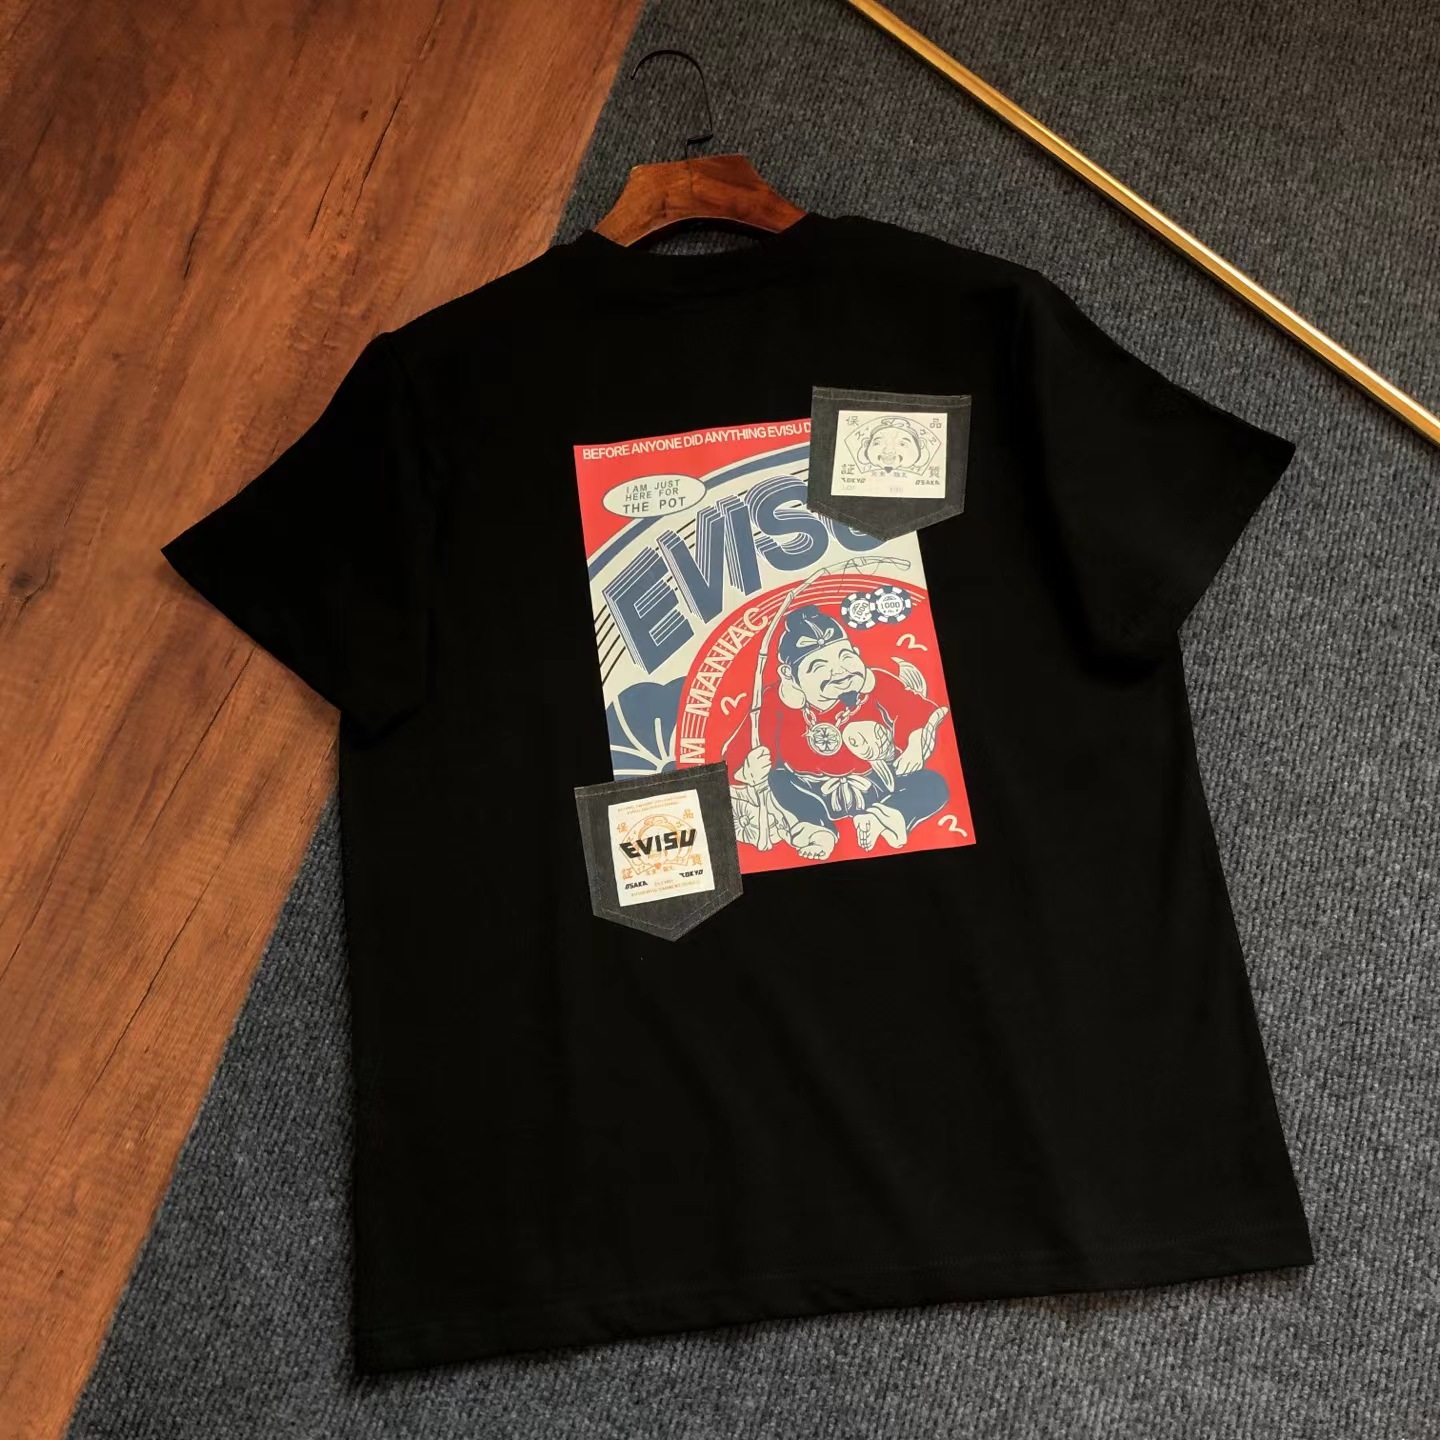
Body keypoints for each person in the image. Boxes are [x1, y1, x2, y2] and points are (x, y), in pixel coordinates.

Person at [724, 604, 949, 860]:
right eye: (819, 666)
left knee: (932, 783)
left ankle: (882, 818)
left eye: (845, 656)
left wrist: (914, 744)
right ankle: (817, 831)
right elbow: (737, 753)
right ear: (790, 675)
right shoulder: (774, 701)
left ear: (856, 652)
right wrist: (747, 769)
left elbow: (917, 712)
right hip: (808, 793)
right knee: (779, 781)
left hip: (877, 783)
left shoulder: (878, 684)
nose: (840, 671)